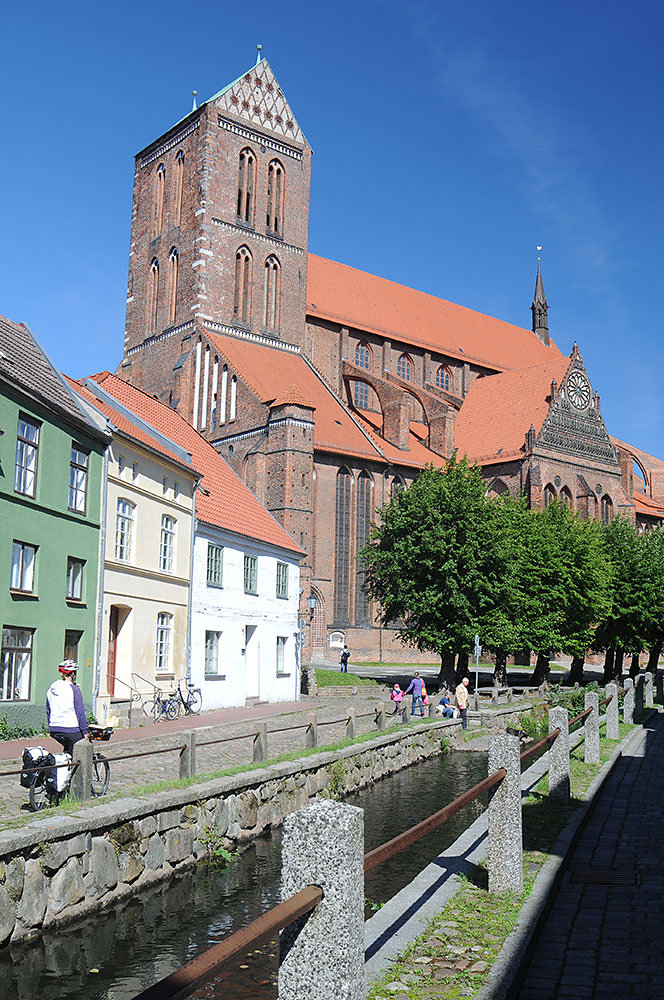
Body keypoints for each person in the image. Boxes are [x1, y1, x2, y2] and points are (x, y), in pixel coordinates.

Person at [46, 660, 88, 755]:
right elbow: (80, 712)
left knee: (69, 750)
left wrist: (51, 726)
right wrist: (85, 732)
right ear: (73, 674)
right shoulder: (74, 689)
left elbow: (48, 710)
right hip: (70, 728)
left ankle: (66, 765)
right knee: (83, 751)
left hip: (54, 729)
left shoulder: (51, 689)